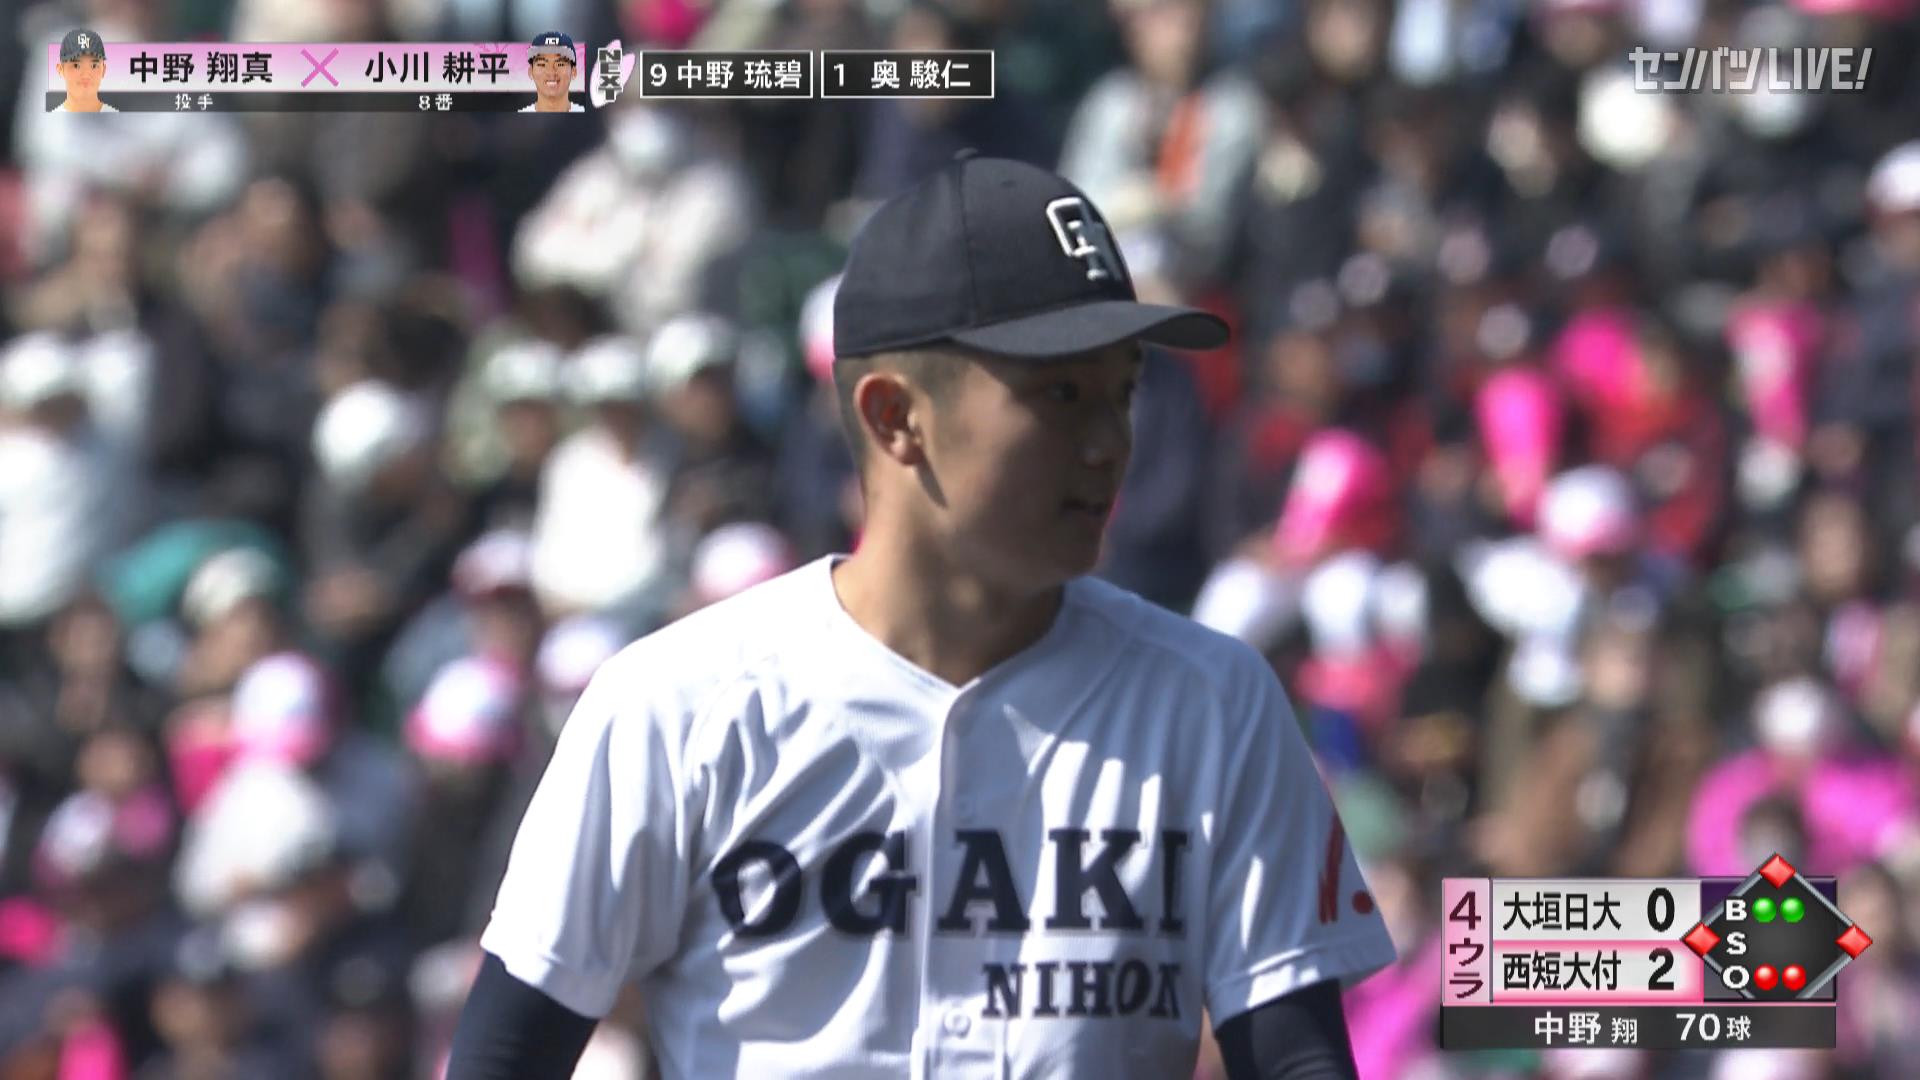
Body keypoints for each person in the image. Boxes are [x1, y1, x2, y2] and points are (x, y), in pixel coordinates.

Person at [448, 153, 1396, 1078]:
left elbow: (1299, 1058)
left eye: (1123, 391)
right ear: (895, 416)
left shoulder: (1213, 702)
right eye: (1063, 393)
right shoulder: (676, 703)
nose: (1109, 441)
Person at [520, 32, 584, 113]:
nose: (551, 72)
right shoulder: (516, 119)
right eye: (542, 64)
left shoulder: (590, 118)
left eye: (560, 64)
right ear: (530, 72)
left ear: (573, 72)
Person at [54, 29, 116, 113]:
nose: (86, 75)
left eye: (94, 66)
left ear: (104, 70)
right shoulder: (49, 119)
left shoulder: (118, 118)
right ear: (60, 70)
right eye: (76, 66)